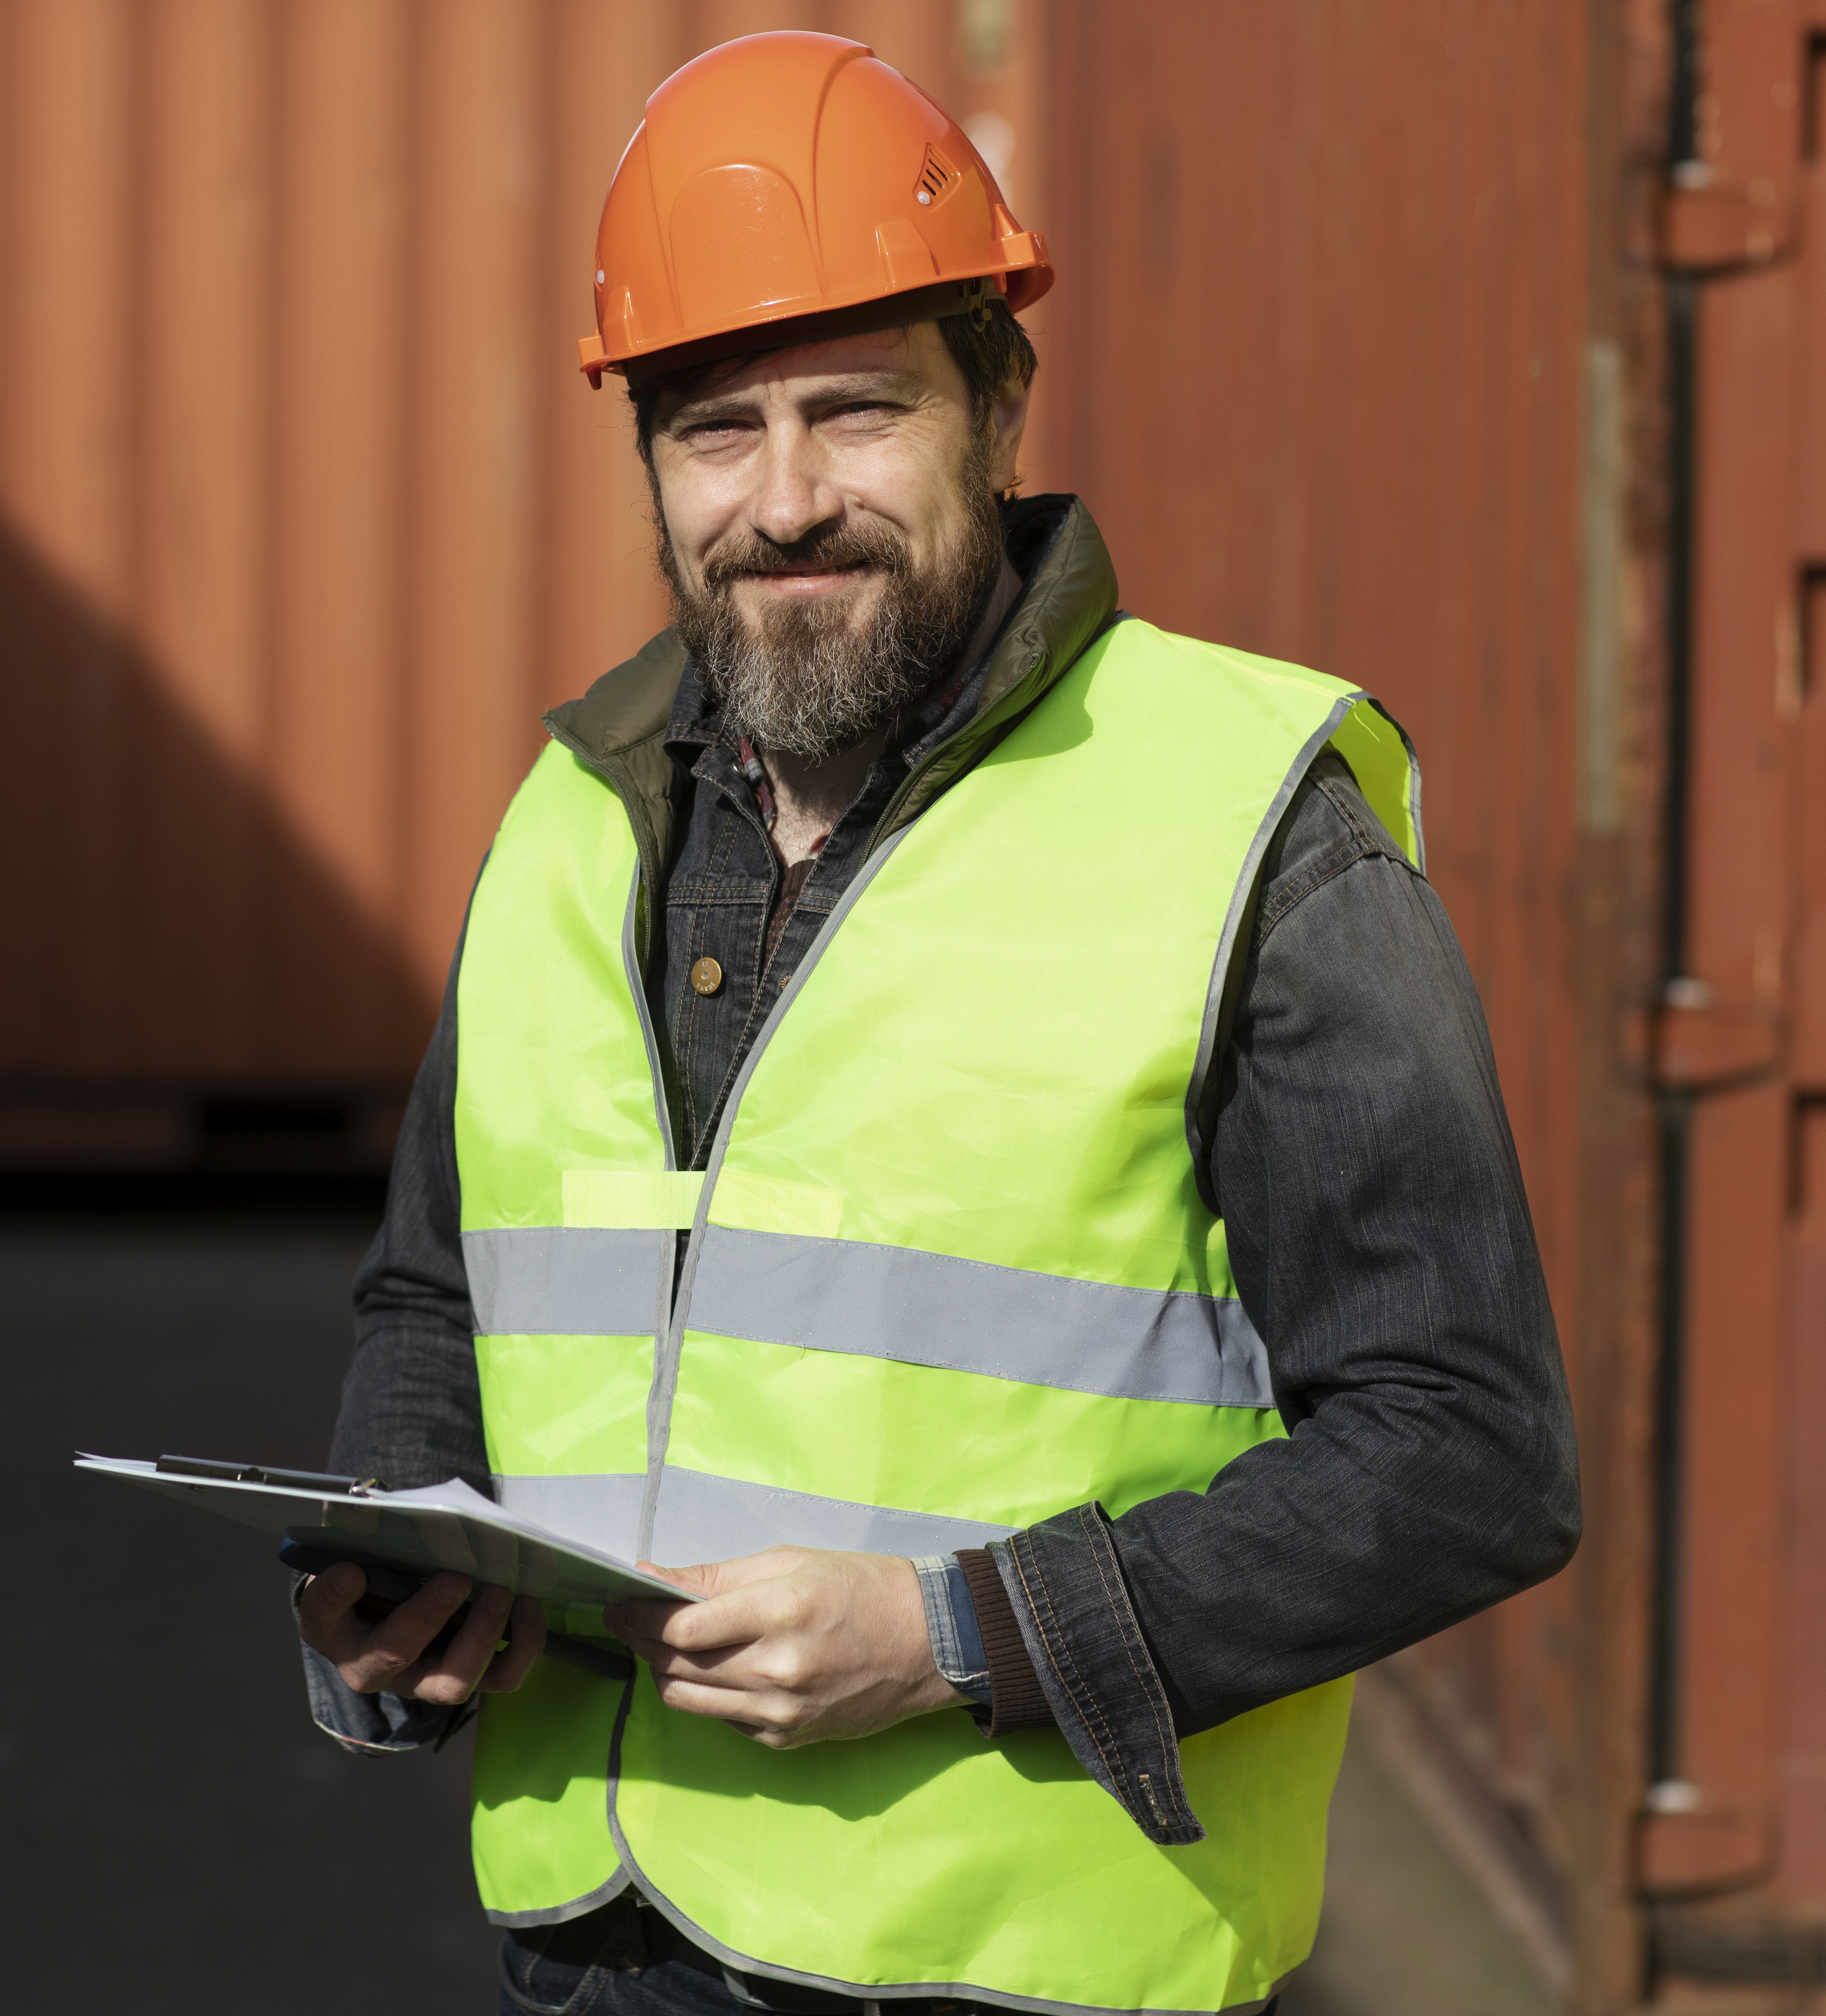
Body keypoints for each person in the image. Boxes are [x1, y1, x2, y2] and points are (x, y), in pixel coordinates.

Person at [296, 32, 1579, 2016]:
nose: (787, 499)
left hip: (1015, 1977)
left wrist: (958, 1635)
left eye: (858, 410)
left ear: (999, 407)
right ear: (648, 462)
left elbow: (1465, 1451)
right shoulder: (571, 821)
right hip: (599, 1955)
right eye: (717, 431)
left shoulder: (1251, 823)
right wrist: (402, 1572)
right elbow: (436, 1303)